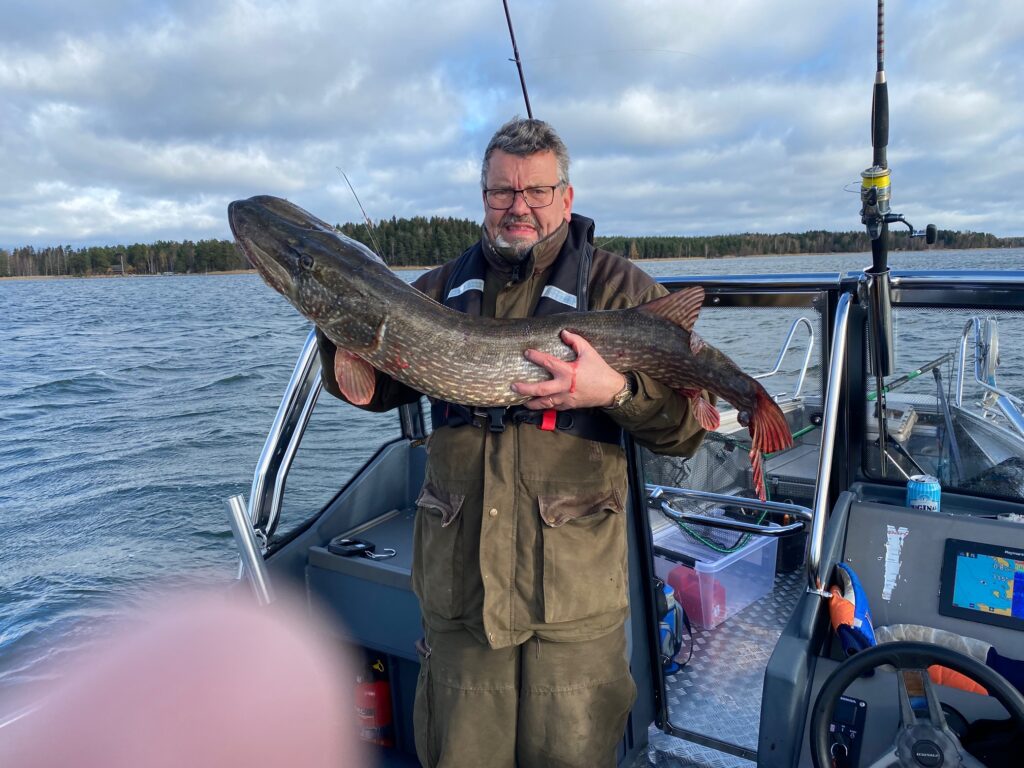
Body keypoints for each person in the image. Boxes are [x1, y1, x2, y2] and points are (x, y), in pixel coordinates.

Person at [316, 117, 708, 768]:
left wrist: (613, 391)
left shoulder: (621, 291)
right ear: (484, 197)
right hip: (462, 597)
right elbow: (374, 390)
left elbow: (687, 431)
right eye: (502, 191)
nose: (519, 206)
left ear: (566, 198)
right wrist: (333, 315)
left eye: (536, 191)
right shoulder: (439, 290)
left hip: (573, 600)